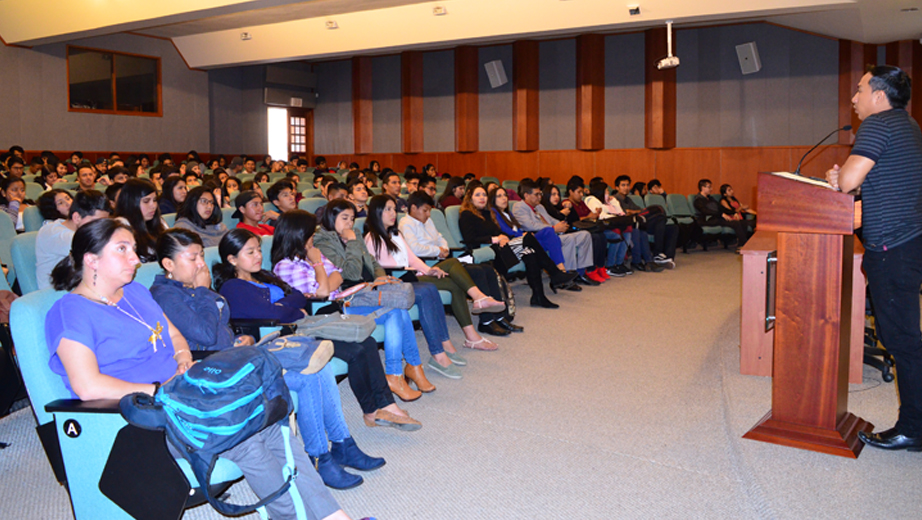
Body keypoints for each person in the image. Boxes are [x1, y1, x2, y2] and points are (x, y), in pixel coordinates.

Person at [46, 219, 354, 520]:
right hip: (138, 416)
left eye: (134, 249)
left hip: (184, 395)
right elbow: (87, 386)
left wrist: (182, 357)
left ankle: (333, 515)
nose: (135, 258)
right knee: (241, 434)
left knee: (267, 417)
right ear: (91, 260)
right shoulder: (70, 311)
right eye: (123, 249)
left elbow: (174, 335)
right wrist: (158, 390)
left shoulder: (136, 293)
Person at [151, 228, 387, 490]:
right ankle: (321, 456)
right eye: (193, 258)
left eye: (200, 257)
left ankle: (342, 444)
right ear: (168, 264)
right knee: (310, 374)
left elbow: (220, 328)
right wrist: (205, 291)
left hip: (232, 357)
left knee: (317, 368)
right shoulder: (166, 295)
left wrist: (238, 338)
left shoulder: (191, 289)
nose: (200, 265)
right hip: (212, 373)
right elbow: (205, 335)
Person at [824, 65, 922, 451]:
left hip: (892, 249)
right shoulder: (909, 126)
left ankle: (913, 428)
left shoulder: (878, 126)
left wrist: (841, 177)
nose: (854, 98)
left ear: (879, 96)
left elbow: (848, 182)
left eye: (860, 89)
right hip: (909, 242)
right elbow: (870, 179)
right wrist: (846, 176)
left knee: (903, 340)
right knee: (905, 336)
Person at [269, 211, 426, 426]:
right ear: (297, 235)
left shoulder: (311, 254)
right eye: (309, 234)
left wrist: (323, 276)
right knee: (366, 342)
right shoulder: (285, 266)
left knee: (374, 335)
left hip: (337, 307)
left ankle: (386, 402)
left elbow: (339, 275)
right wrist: (318, 266)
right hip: (321, 317)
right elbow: (323, 291)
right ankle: (382, 401)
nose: (313, 238)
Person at [309, 202, 441, 398]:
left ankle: (411, 367)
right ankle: (399, 372)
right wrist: (353, 242)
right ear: (331, 218)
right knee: (396, 310)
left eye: (352, 219)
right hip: (348, 297)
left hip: (367, 291)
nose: (349, 223)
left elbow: (372, 262)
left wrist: (379, 276)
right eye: (344, 218)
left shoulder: (354, 235)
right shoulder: (323, 242)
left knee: (399, 309)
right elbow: (350, 274)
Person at [365, 194, 506, 351]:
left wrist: (429, 270)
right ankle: (476, 315)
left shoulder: (395, 234)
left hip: (411, 274)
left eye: (393, 209)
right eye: (388, 209)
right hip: (400, 281)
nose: (393, 213)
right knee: (454, 274)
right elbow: (381, 268)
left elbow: (412, 259)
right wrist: (417, 271)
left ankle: (475, 319)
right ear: (376, 212)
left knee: (453, 270)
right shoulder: (372, 238)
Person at [399, 191, 521, 335]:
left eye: (429, 211)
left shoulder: (428, 221)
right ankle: (486, 322)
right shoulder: (405, 224)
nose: (428, 215)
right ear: (413, 208)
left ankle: (500, 317)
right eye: (425, 210)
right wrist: (437, 251)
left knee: (487, 269)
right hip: (427, 266)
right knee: (477, 272)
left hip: (443, 260)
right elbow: (415, 249)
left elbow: (440, 238)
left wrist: (443, 248)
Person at [459, 185, 576, 308]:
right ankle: (555, 273)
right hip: (491, 254)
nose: (482, 197)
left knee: (530, 253)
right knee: (528, 239)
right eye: (477, 195)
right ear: (470, 198)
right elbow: (469, 239)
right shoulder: (467, 215)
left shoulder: (487, 214)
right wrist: (495, 239)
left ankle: (538, 296)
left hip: (502, 249)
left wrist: (502, 236)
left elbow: (497, 231)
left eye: (484, 194)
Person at [513, 179, 597, 285]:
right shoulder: (519, 206)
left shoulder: (539, 206)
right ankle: (566, 274)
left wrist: (561, 225)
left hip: (552, 234)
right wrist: (553, 227)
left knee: (585, 235)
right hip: (538, 238)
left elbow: (551, 219)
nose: (540, 197)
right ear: (526, 195)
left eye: (540, 194)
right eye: (536, 194)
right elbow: (529, 225)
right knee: (568, 238)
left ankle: (580, 273)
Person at [35, 190, 109, 290]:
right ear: (77, 217)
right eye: (95, 222)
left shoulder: (69, 228)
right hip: (56, 295)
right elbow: (101, 254)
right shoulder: (54, 233)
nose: (100, 227)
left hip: (82, 287)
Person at [613, 175, 674, 270]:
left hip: (637, 221)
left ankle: (653, 259)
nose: (626, 188)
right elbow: (624, 213)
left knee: (668, 224)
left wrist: (632, 211)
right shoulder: (615, 199)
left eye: (628, 185)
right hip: (625, 225)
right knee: (643, 226)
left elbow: (639, 210)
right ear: (617, 187)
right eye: (623, 185)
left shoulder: (628, 199)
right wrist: (633, 212)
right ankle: (642, 260)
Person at [114, 178, 167, 263]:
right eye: (146, 201)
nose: (153, 206)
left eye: (154, 200)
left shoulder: (159, 221)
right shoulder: (121, 225)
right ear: (131, 203)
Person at [693, 179, 753, 249]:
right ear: (703, 188)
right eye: (709, 187)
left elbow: (721, 208)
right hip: (707, 219)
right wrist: (721, 214)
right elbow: (705, 211)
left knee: (743, 222)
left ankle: (743, 243)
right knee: (735, 223)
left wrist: (734, 212)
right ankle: (742, 245)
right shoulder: (698, 200)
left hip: (716, 218)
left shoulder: (710, 198)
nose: (711, 189)